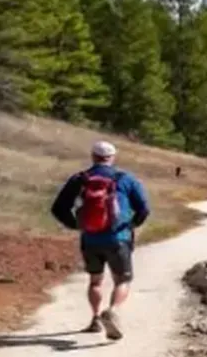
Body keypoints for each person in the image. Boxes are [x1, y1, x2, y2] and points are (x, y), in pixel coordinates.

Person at [50, 141, 151, 340]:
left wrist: (76, 225)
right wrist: (132, 225)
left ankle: (95, 319)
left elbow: (58, 208)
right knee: (123, 280)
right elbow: (144, 208)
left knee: (95, 281)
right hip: (118, 238)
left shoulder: (80, 179)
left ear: (93, 156)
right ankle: (112, 311)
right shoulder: (125, 178)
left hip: (90, 239)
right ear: (112, 157)